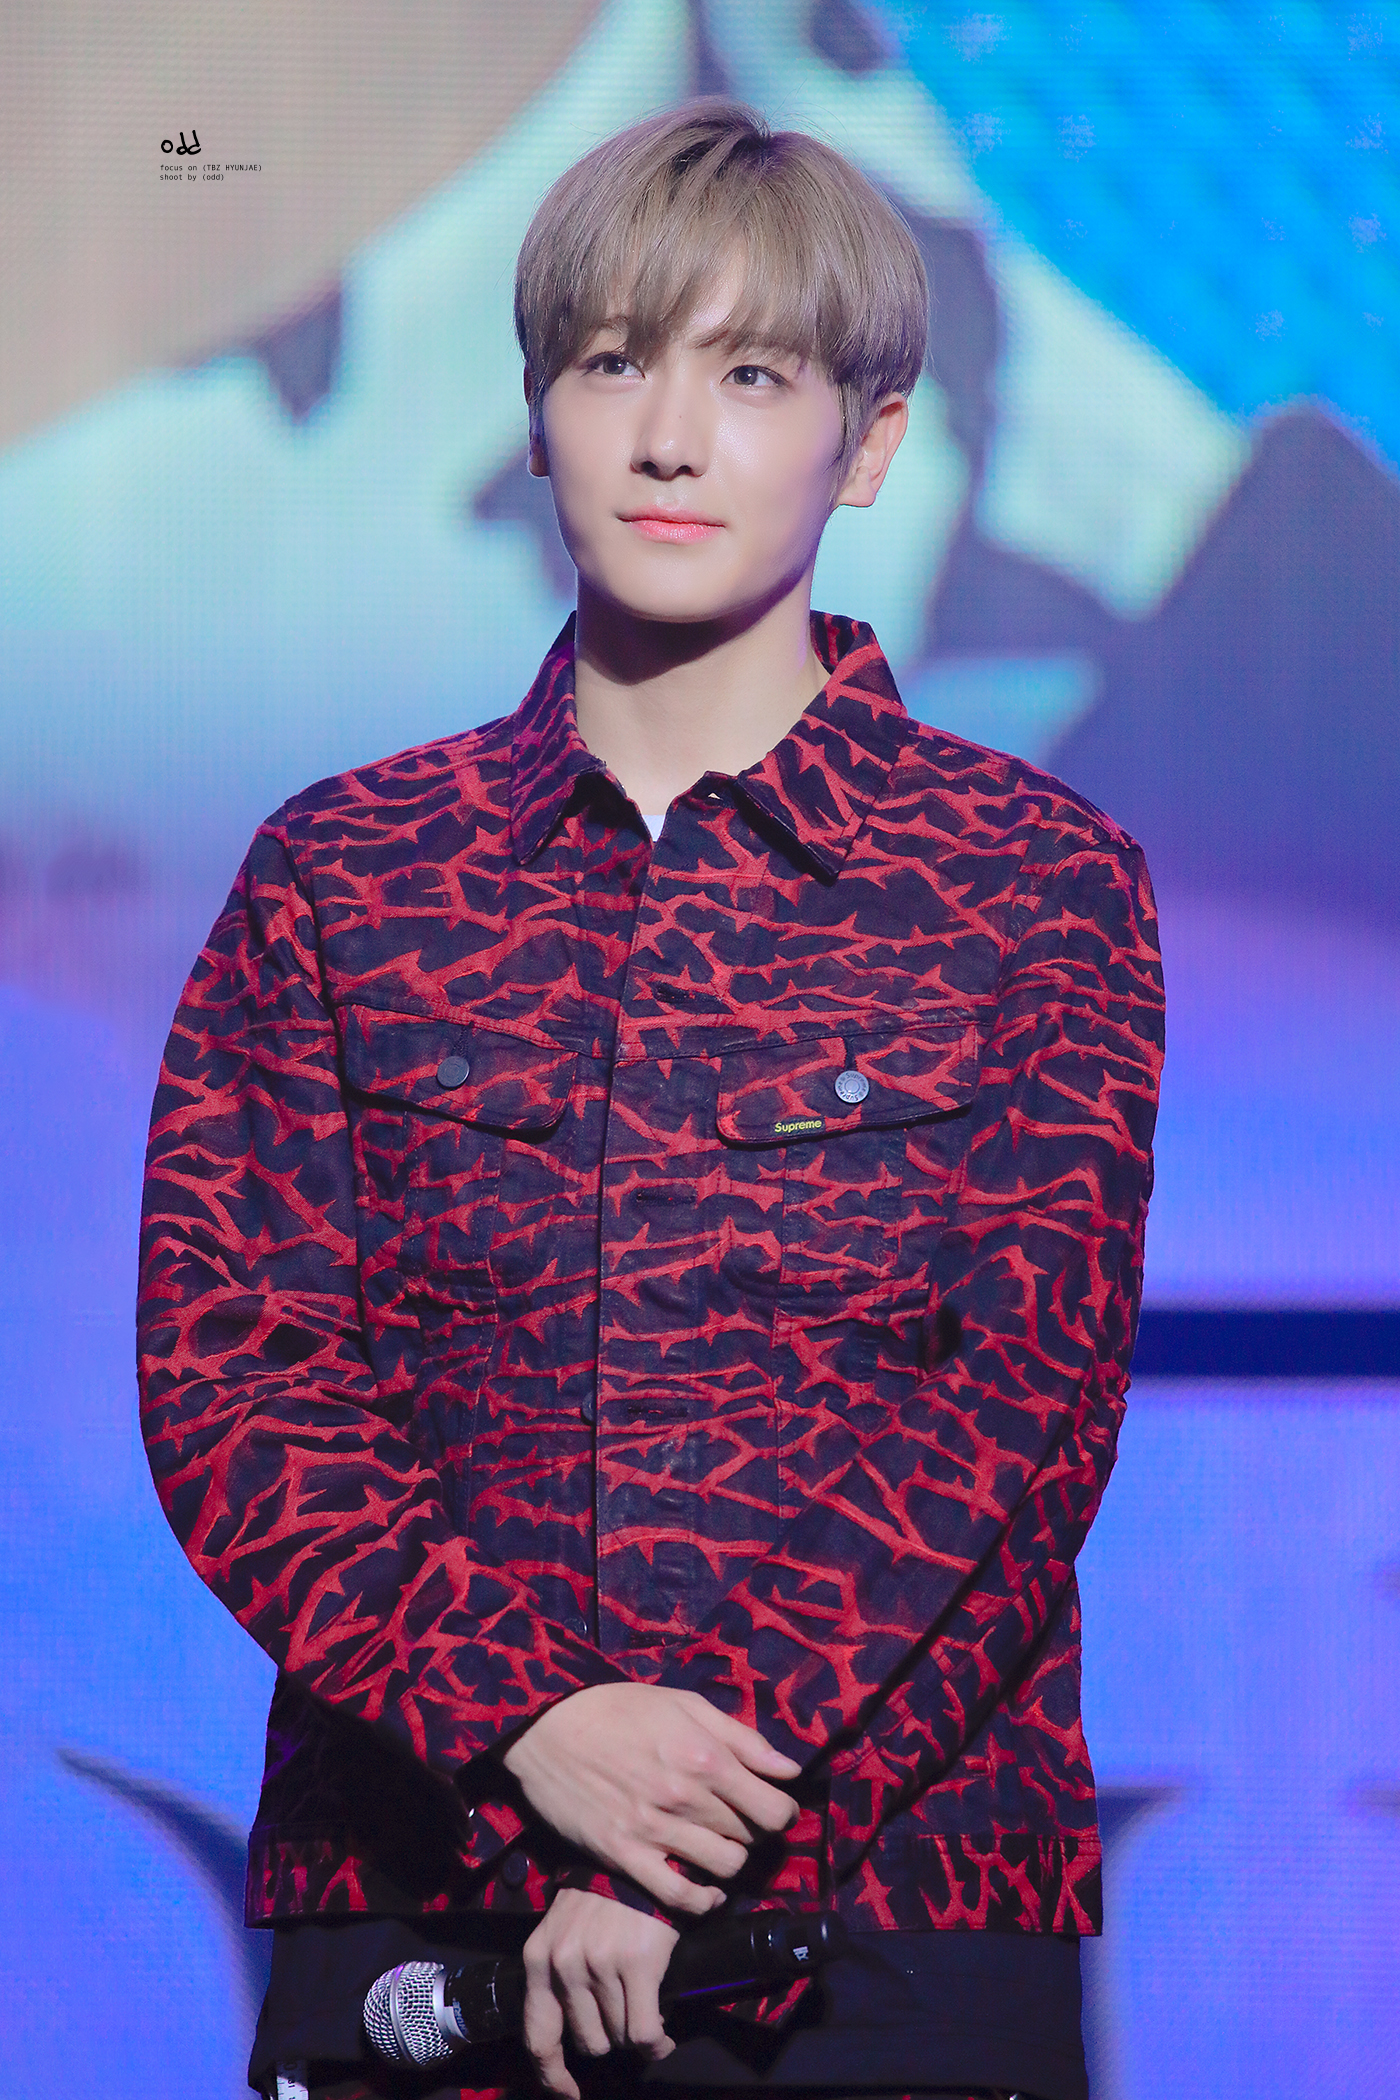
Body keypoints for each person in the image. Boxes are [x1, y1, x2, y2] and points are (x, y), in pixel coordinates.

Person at [136, 101, 1164, 2100]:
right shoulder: (348, 876)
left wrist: (686, 1835)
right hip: (422, 1900)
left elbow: (1013, 1418)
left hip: (897, 1913)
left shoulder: (1029, 882)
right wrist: (529, 1722)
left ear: (871, 441)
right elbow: (236, 1372)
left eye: (752, 376)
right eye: (613, 364)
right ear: (536, 416)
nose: (669, 438)